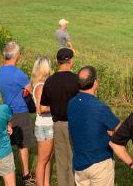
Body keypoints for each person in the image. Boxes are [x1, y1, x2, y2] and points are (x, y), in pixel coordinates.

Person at [68, 66, 121, 186]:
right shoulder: (100, 107)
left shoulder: (71, 104)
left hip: (79, 163)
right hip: (99, 163)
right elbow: (119, 128)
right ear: (95, 83)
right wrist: (111, 134)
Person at [0, 41, 34, 184]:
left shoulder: (0, 71)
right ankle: (25, 175)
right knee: (23, 146)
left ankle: (6, 172)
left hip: (7, 111)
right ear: (17, 55)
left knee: (8, 144)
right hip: (20, 111)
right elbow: (32, 91)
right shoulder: (19, 74)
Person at [40, 48, 78, 186]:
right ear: (70, 61)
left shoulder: (49, 81)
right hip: (74, 124)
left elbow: (43, 108)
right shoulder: (76, 80)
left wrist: (56, 107)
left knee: (61, 161)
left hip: (57, 125)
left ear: (57, 61)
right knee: (74, 158)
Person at [31, 57, 54, 186]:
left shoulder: (41, 84)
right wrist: (58, 105)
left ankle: (46, 183)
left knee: (47, 159)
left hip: (47, 126)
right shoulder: (40, 86)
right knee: (42, 160)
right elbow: (41, 109)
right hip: (45, 127)